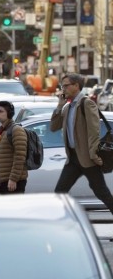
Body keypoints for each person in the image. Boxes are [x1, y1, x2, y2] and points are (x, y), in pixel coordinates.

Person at [51, 73, 113, 216]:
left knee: (102, 192)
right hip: (73, 159)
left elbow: (94, 130)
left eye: (66, 86)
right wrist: (59, 106)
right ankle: (58, 223)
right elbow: (54, 127)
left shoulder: (86, 103)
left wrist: (93, 153)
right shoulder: (67, 107)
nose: (63, 89)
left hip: (88, 159)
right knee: (59, 192)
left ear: (76, 86)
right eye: (62, 86)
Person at [0, 100, 28, 194]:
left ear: (9, 113)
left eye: (1, 111)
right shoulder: (1, 131)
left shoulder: (17, 130)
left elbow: (20, 156)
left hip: (11, 181)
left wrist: (13, 179)